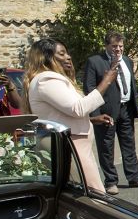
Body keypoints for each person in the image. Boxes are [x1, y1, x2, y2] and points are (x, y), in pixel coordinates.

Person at [26, 38, 118, 193]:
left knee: (85, 192)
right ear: (47, 58)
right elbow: (78, 108)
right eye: (61, 54)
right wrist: (106, 81)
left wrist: (91, 119)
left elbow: (62, 112)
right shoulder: (47, 79)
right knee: (93, 194)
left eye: (67, 53)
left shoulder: (51, 79)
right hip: (70, 144)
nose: (68, 57)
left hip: (74, 142)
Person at [84, 31, 138, 195]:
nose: (118, 49)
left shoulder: (127, 60)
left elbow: (131, 85)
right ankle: (111, 181)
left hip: (126, 109)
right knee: (106, 147)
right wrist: (96, 113)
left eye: (121, 46)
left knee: (129, 144)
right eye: (114, 46)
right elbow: (90, 87)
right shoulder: (95, 62)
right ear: (106, 46)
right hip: (106, 111)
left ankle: (134, 177)